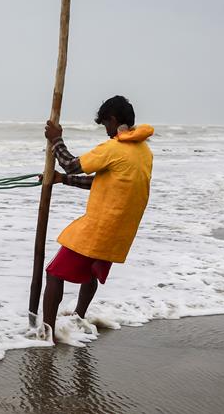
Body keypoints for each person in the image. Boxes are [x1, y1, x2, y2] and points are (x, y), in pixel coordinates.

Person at [37, 95, 154, 343]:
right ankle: (79, 317)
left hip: (100, 227)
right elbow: (103, 182)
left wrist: (56, 139)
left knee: (54, 274)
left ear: (113, 120)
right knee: (90, 273)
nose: (107, 131)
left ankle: (47, 333)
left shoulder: (113, 148)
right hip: (120, 231)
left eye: (106, 125)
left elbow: (71, 164)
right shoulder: (144, 152)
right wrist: (61, 180)